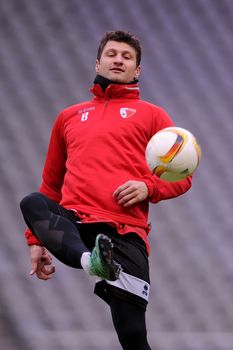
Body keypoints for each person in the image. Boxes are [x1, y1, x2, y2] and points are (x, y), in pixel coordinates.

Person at [20, 30, 192, 349]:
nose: (118, 60)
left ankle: (101, 260)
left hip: (124, 233)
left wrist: (148, 186)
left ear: (137, 71)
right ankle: (91, 262)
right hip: (75, 224)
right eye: (112, 54)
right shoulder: (68, 117)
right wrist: (36, 240)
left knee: (132, 336)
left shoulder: (153, 116)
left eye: (127, 57)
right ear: (98, 62)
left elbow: (183, 176)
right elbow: (50, 187)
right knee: (32, 202)